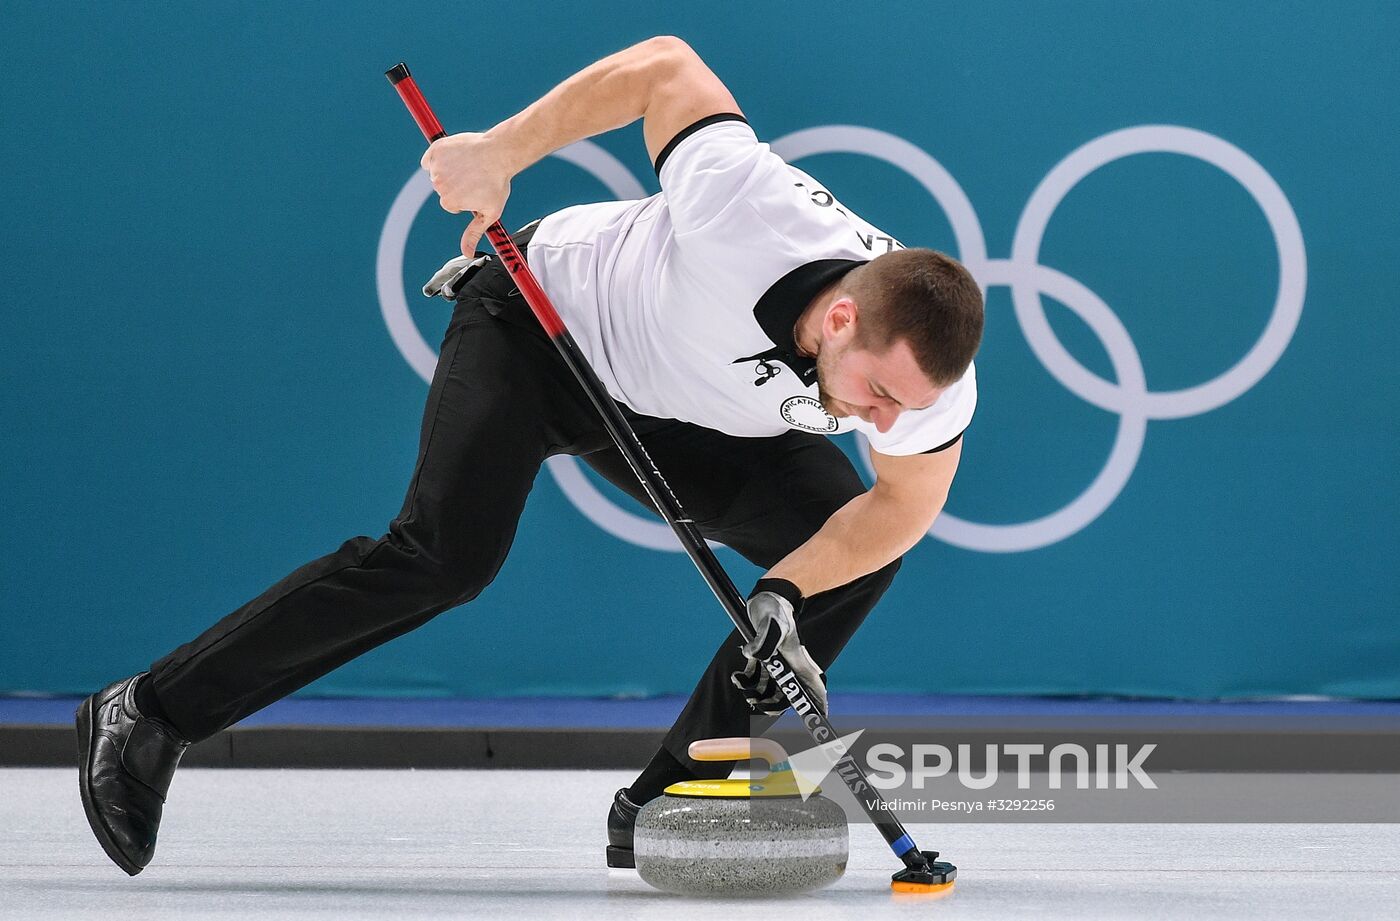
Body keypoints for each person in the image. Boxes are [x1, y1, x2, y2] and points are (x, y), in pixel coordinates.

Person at [76, 35, 983, 876]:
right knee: (444, 557)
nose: (881, 419)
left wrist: (783, 592)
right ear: (840, 317)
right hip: (544, 330)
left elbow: (899, 507)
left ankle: (671, 797)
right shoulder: (749, 211)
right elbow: (666, 66)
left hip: (680, 406)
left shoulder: (926, 384)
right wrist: (502, 151)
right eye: (877, 393)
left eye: (902, 407)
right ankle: (150, 712)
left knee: (841, 562)